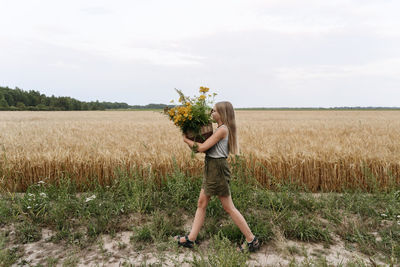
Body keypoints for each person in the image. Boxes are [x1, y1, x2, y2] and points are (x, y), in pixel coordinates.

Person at [174, 101, 260, 252]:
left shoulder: (222, 130)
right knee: (202, 203)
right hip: (212, 166)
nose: (211, 113)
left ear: (222, 113)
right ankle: (191, 239)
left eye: (214, 111)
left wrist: (185, 139)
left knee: (228, 207)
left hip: (217, 168)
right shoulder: (219, 129)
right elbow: (202, 149)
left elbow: (201, 148)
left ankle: (251, 240)